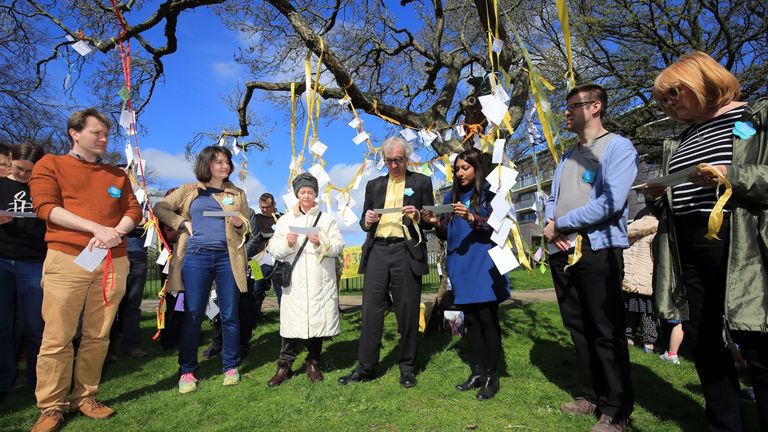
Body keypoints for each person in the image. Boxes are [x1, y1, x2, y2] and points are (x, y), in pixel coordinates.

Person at [644, 51, 768, 431]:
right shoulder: (681, 138)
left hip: (742, 248)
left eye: (673, 94)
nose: (669, 104)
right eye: (663, 100)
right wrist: (658, 194)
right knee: (706, 343)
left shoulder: (755, 117)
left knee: (757, 343)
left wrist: (733, 174)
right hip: (688, 247)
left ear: (701, 80)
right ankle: (723, 425)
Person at [28, 108, 142, 432]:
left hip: (112, 259)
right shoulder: (50, 164)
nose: (104, 139)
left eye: (106, 134)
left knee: (99, 333)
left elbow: (133, 209)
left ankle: (86, 396)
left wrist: (115, 232)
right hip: (67, 257)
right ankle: (51, 406)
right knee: (57, 336)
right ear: (74, 133)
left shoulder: (118, 175)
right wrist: (96, 229)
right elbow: (46, 208)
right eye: (97, 133)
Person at [543, 84, 637, 431]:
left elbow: (610, 202)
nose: (565, 113)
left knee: (605, 328)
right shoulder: (567, 157)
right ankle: (589, 395)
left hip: (597, 249)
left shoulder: (618, 147)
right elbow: (552, 200)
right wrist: (552, 226)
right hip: (562, 251)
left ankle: (617, 409)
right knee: (578, 326)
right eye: (564, 107)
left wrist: (563, 224)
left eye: (572, 106)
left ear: (595, 107)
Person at [338, 136, 434, 388]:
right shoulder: (374, 185)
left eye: (398, 160)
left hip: (406, 249)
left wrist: (418, 216)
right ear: (383, 160)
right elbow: (363, 222)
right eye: (389, 160)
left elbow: (430, 219)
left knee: (407, 311)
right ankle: (366, 367)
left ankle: (407, 367)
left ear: (407, 158)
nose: (394, 165)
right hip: (378, 250)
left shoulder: (421, 182)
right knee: (371, 311)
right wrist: (368, 220)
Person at [154, 145, 250, 394]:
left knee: (230, 315)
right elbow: (160, 208)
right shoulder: (188, 190)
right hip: (196, 257)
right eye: (219, 161)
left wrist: (241, 223)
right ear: (206, 164)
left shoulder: (236, 193)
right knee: (193, 314)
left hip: (227, 258)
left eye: (227, 162)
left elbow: (246, 224)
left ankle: (230, 366)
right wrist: (181, 222)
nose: (225, 166)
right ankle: (187, 371)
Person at [422, 148, 510, 400]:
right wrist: (434, 223)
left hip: (484, 264)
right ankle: (477, 372)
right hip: (460, 264)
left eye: (465, 168)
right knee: (470, 322)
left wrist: (472, 216)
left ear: (476, 168)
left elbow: (499, 226)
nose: (460, 173)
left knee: (487, 320)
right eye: (456, 169)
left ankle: (493, 377)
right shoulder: (451, 196)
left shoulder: (492, 193)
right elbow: (448, 232)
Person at [265, 173, 344, 386]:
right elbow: (273, 248)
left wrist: (321, 242)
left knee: (317, 323)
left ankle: (313, 363)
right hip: (296, 281)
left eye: (310, 191)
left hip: (320, 280)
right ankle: (284, 366)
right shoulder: (285, 220)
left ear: (315, 194)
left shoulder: (327, 219)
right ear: (297, 194)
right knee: (291, 326)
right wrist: (288, 243)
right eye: (302, 192)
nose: (306, 195)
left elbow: (338, 246)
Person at [0, 143, 46, 398]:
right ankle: (5, 379)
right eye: (19, 169)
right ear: (10, 162)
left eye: (29, 171)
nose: (23, 175)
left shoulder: (43, 187)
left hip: (34, 261)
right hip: (2, 261)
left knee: (34, 325)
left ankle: (37, 378)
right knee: (3, 326)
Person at [108, 222, 148, 360]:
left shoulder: (146, 202)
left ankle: (131, 346)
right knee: (111, 303)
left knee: (133, 303)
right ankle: (107, 349)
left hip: (138, 254)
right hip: (113, 253)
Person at [621, 213, 659, 354]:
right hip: (645, 280)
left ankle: (628, 338)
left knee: (630, 311)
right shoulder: (655, 232)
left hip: (629, 280)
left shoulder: (631, 231)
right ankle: (649, 343)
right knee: (648, 313)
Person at [250, 193, 283, 313]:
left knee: (281, 291)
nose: (264, 210)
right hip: (256, 262)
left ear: (274, 204)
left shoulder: (283, 219)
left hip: (279, 261)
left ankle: (285, 321)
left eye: (267, 207)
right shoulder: (255, 218)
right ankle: (254, 317)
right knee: (256, 289)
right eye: (262, 207)